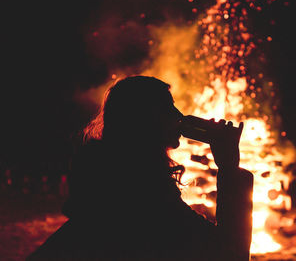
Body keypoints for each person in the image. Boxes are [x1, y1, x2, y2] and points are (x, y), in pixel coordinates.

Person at [27, 76, 254, 261]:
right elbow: (229, 254)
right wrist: (229, 167)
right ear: (145, 120)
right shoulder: (147, 192)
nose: (178, 116)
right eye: (167, 108)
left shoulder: (107, 178)